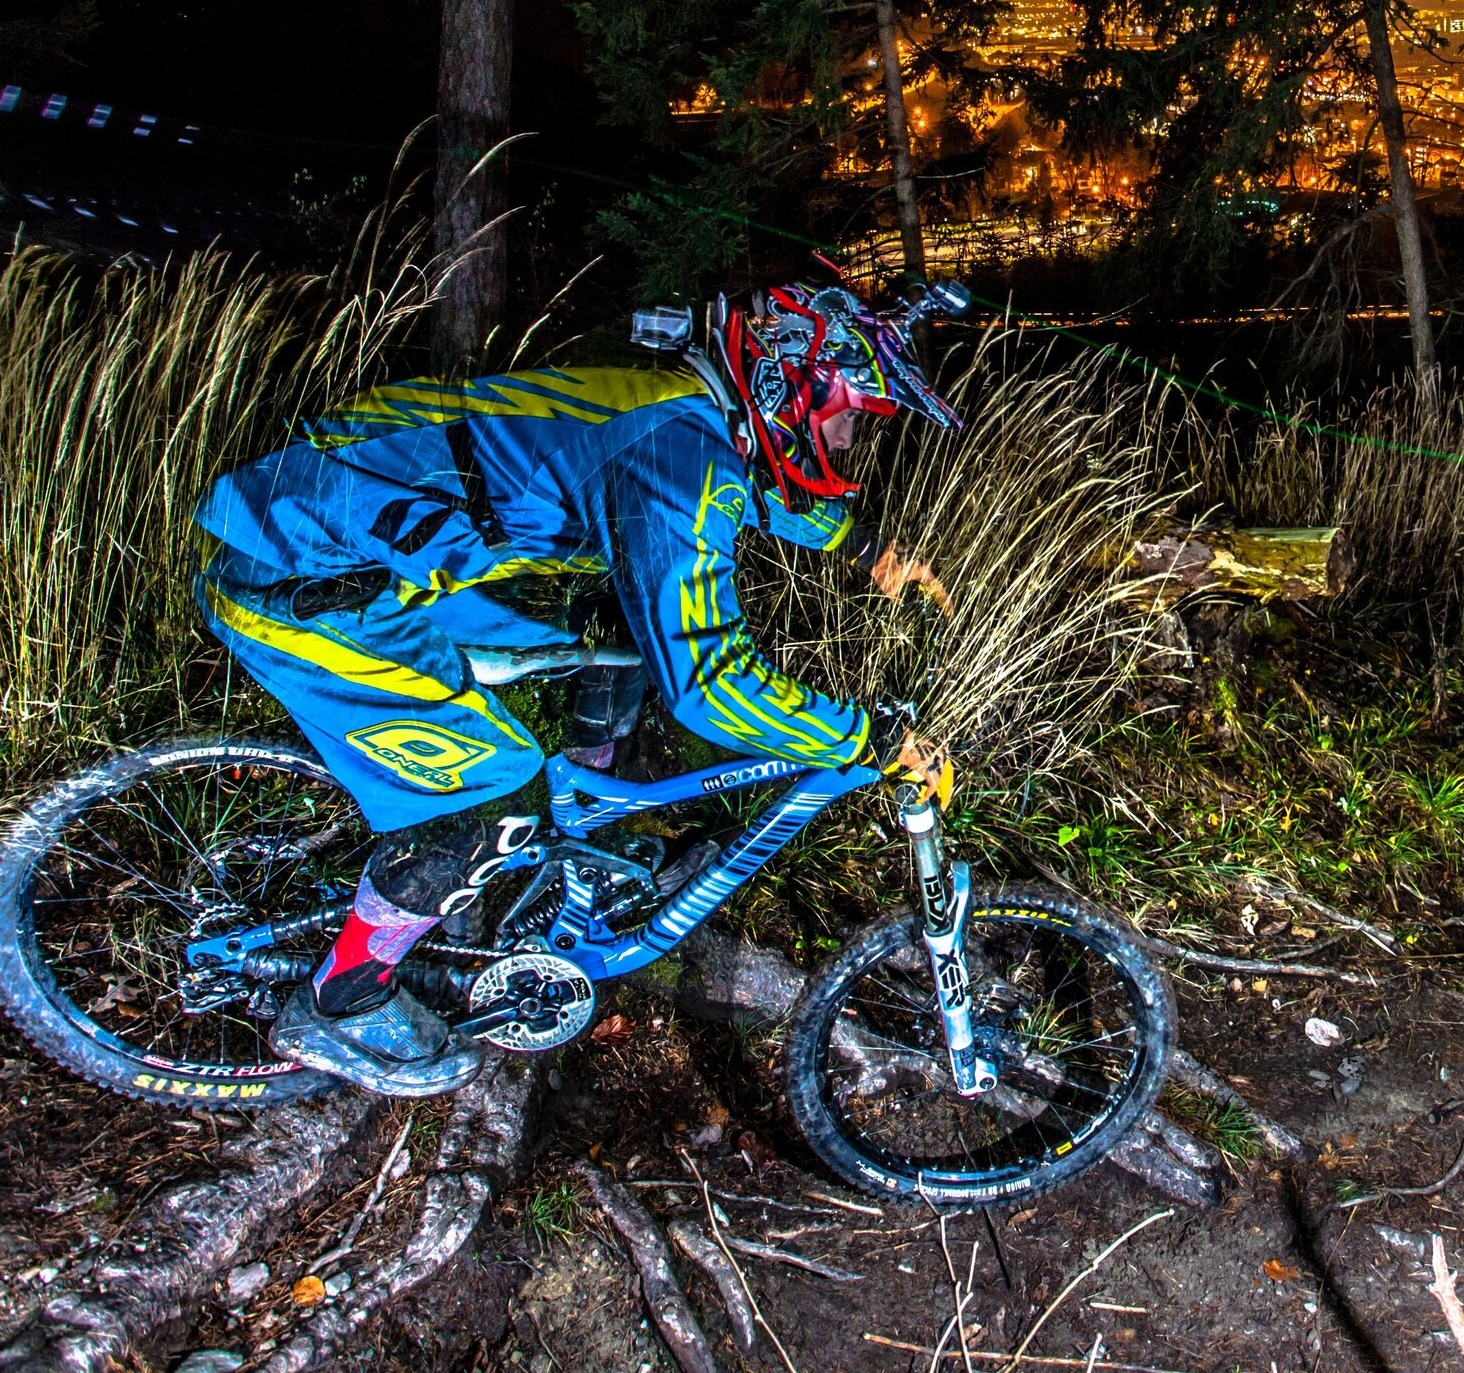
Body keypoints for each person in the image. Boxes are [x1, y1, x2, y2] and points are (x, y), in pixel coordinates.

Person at [194, 278, 959, 1095]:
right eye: (849, 419)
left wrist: (868, 551)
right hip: (298, 577)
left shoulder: (683, 405)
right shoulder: (682, 451)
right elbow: (709, 681)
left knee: (614, 639)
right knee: (499, 795)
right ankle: (342, 999)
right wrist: (866, 740)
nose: (846, 441)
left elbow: (742, 493)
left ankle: (585, 830)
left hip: (366, 548)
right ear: (792, 389)